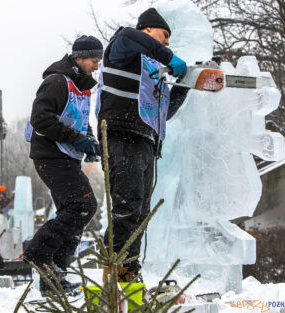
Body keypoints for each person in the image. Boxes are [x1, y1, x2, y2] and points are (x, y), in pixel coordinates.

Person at [96, 8, 190, 282]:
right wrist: (170, 58)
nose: (167, 44)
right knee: (127, 205)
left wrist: (185, 85)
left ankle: (129, 270)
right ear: (147, 30)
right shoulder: (124, 48)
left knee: (139, 211)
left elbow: (162, 110)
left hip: (145, 141)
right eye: (164, 36)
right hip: (121, 135)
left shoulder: (151, 69)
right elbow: (128, 35)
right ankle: (114, 273)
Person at [23, 35, 103, 295]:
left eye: (99, 60)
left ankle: (53, 278)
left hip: (67, 157)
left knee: (72, 211)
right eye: (94, 60)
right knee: (84, 206)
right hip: (51, 155)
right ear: (78, 58)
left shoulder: (81, 87)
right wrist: (78, 140)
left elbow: (80, 119)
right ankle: (38, 252)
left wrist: (89, 141)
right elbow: (41, 119)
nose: (97, 66)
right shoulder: (57, 81)